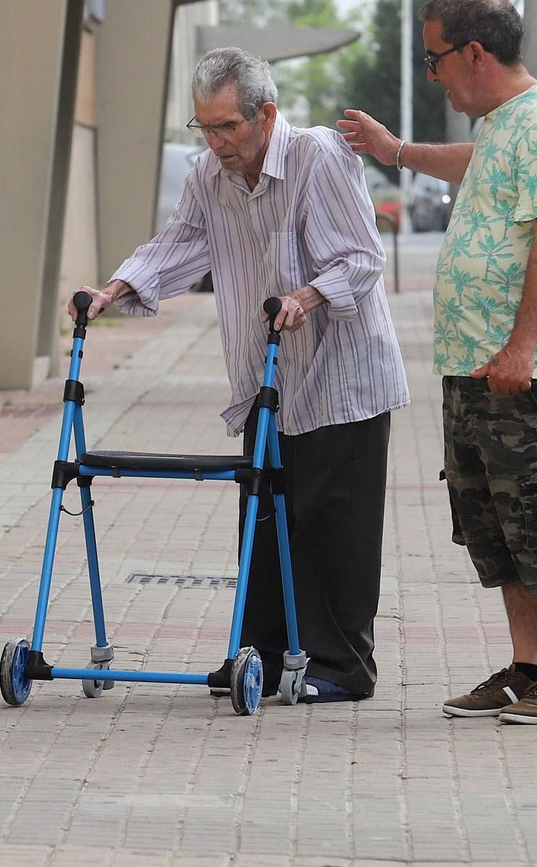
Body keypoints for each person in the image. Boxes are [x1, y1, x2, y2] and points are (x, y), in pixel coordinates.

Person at [72, 47, 409, 703]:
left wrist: (305, 296)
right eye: (204, 126)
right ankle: (262, 657)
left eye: (227, 125)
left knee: (331, 522)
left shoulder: (318, 157)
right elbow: (177, 244)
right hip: (268, 375)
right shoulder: (209, 176)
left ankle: (340, 666)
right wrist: (112, 291)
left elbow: (362, 259)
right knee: (263, 514)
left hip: (342, 373)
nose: (216, 141)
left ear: (266, 115)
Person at [337, 0, 537, 725]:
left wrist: (522, 346)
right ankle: (528, 668)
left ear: (475, 53)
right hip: (475, 368)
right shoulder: (503, 125)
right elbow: (475, 163)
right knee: (499, 524)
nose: (432, 75)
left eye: (435, 59)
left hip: (527, 372)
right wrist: (396, 153)